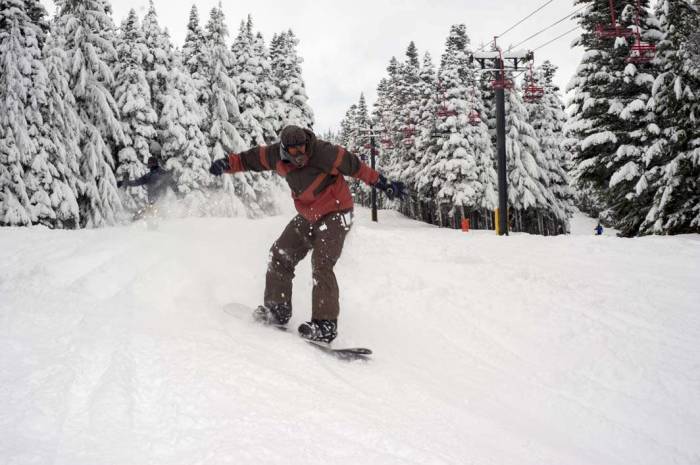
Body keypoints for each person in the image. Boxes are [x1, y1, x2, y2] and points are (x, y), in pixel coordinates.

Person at [209, 125, 404, 343]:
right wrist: (227, 163)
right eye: (294, 151)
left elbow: (356, 167)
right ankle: (277, 310)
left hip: (337, 212)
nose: (300, 154)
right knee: (280, 253)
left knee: (322, 263)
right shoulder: (275, 155)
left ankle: (325, 325)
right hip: (310, 215)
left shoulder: (324, 152)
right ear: (284, 149)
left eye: (303, 148)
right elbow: (250, 159)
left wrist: (385, 184)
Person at [117, 156, 175, 220]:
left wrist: (123, 182)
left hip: (157, 201)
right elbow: (173, 184)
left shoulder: (151, 175)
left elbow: (136, 182)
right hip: (158, 201)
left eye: (150, 164)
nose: (149, 165)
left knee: (154, 217)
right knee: (153, 216)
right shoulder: (160, 174)